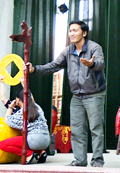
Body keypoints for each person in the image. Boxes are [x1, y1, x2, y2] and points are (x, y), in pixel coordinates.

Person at [25, 20, 106, 167]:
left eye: (75, 30)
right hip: (77, 96)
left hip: (94, 94)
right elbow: (54, 65)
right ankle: (80, 160)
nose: (72, 33)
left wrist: (91, 64)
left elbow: (100, 63)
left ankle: (97, 161)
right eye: (70, 31)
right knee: (76, 129)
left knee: (96, 128)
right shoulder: (68, 50)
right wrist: (34, 69)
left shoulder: (95, 47)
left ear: (84, 33)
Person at [0, 89, 50, 164]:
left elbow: (6, 121)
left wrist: (10, 107)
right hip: (46, 141)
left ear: (18, 100)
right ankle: (41, 152)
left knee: (2, 145)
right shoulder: (37, 107)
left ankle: (29, 154)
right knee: (27, 136)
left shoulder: (22, 112)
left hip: (34, 141)